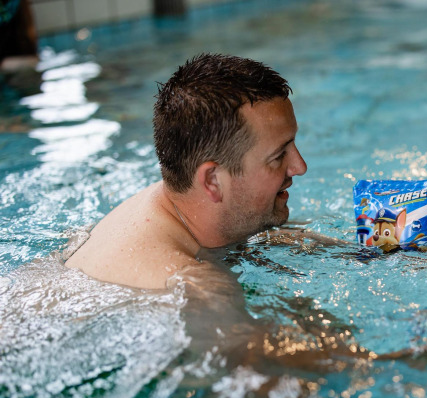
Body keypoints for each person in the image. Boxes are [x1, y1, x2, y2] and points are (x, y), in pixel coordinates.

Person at [65, 53, 307, 289]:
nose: (300, 167)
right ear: (212, 181)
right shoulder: (191, 287)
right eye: (278, 156)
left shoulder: (175, 206)